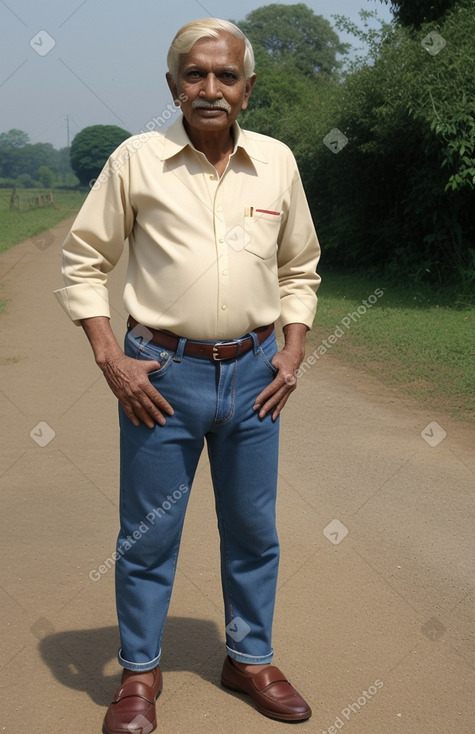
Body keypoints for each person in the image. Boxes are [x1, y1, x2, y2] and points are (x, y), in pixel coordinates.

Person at [55, 18, 321, 734]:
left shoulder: (277, 163)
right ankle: (139, 674)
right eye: (194, 75)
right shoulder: (136, 161)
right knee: (147, 536)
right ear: (172, 86)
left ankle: (249, 658)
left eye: (225, 76)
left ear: (247, 89)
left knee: (253, 530)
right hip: (160, 380)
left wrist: (291, 351)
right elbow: (83, 262)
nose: (210, 89)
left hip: (255, 375)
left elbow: (300, 267)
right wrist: (110, 355)